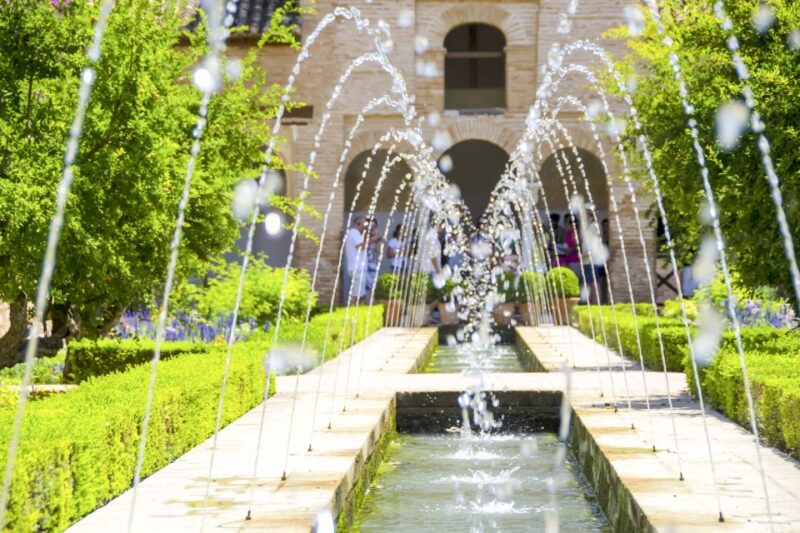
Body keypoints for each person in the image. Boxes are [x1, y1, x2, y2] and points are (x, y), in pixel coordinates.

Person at [344, 217, 369, 302]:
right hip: (357, 268)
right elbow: (361, 246)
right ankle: (352, 312)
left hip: (357, 268)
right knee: (357, 294)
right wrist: (374, 239)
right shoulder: (354, 232)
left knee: (359, 293)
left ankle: (357, 311)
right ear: (358, 224)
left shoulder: (354, 233)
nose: (365, 228)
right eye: (364, 225)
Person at [563, 213, 581, 281]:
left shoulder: (574, 233)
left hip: (574, 260)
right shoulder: (567, 233)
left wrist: (570, 250)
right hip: (568, 259)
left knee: (575, 279)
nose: (565, 224)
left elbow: (578, 246)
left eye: (566, 222)